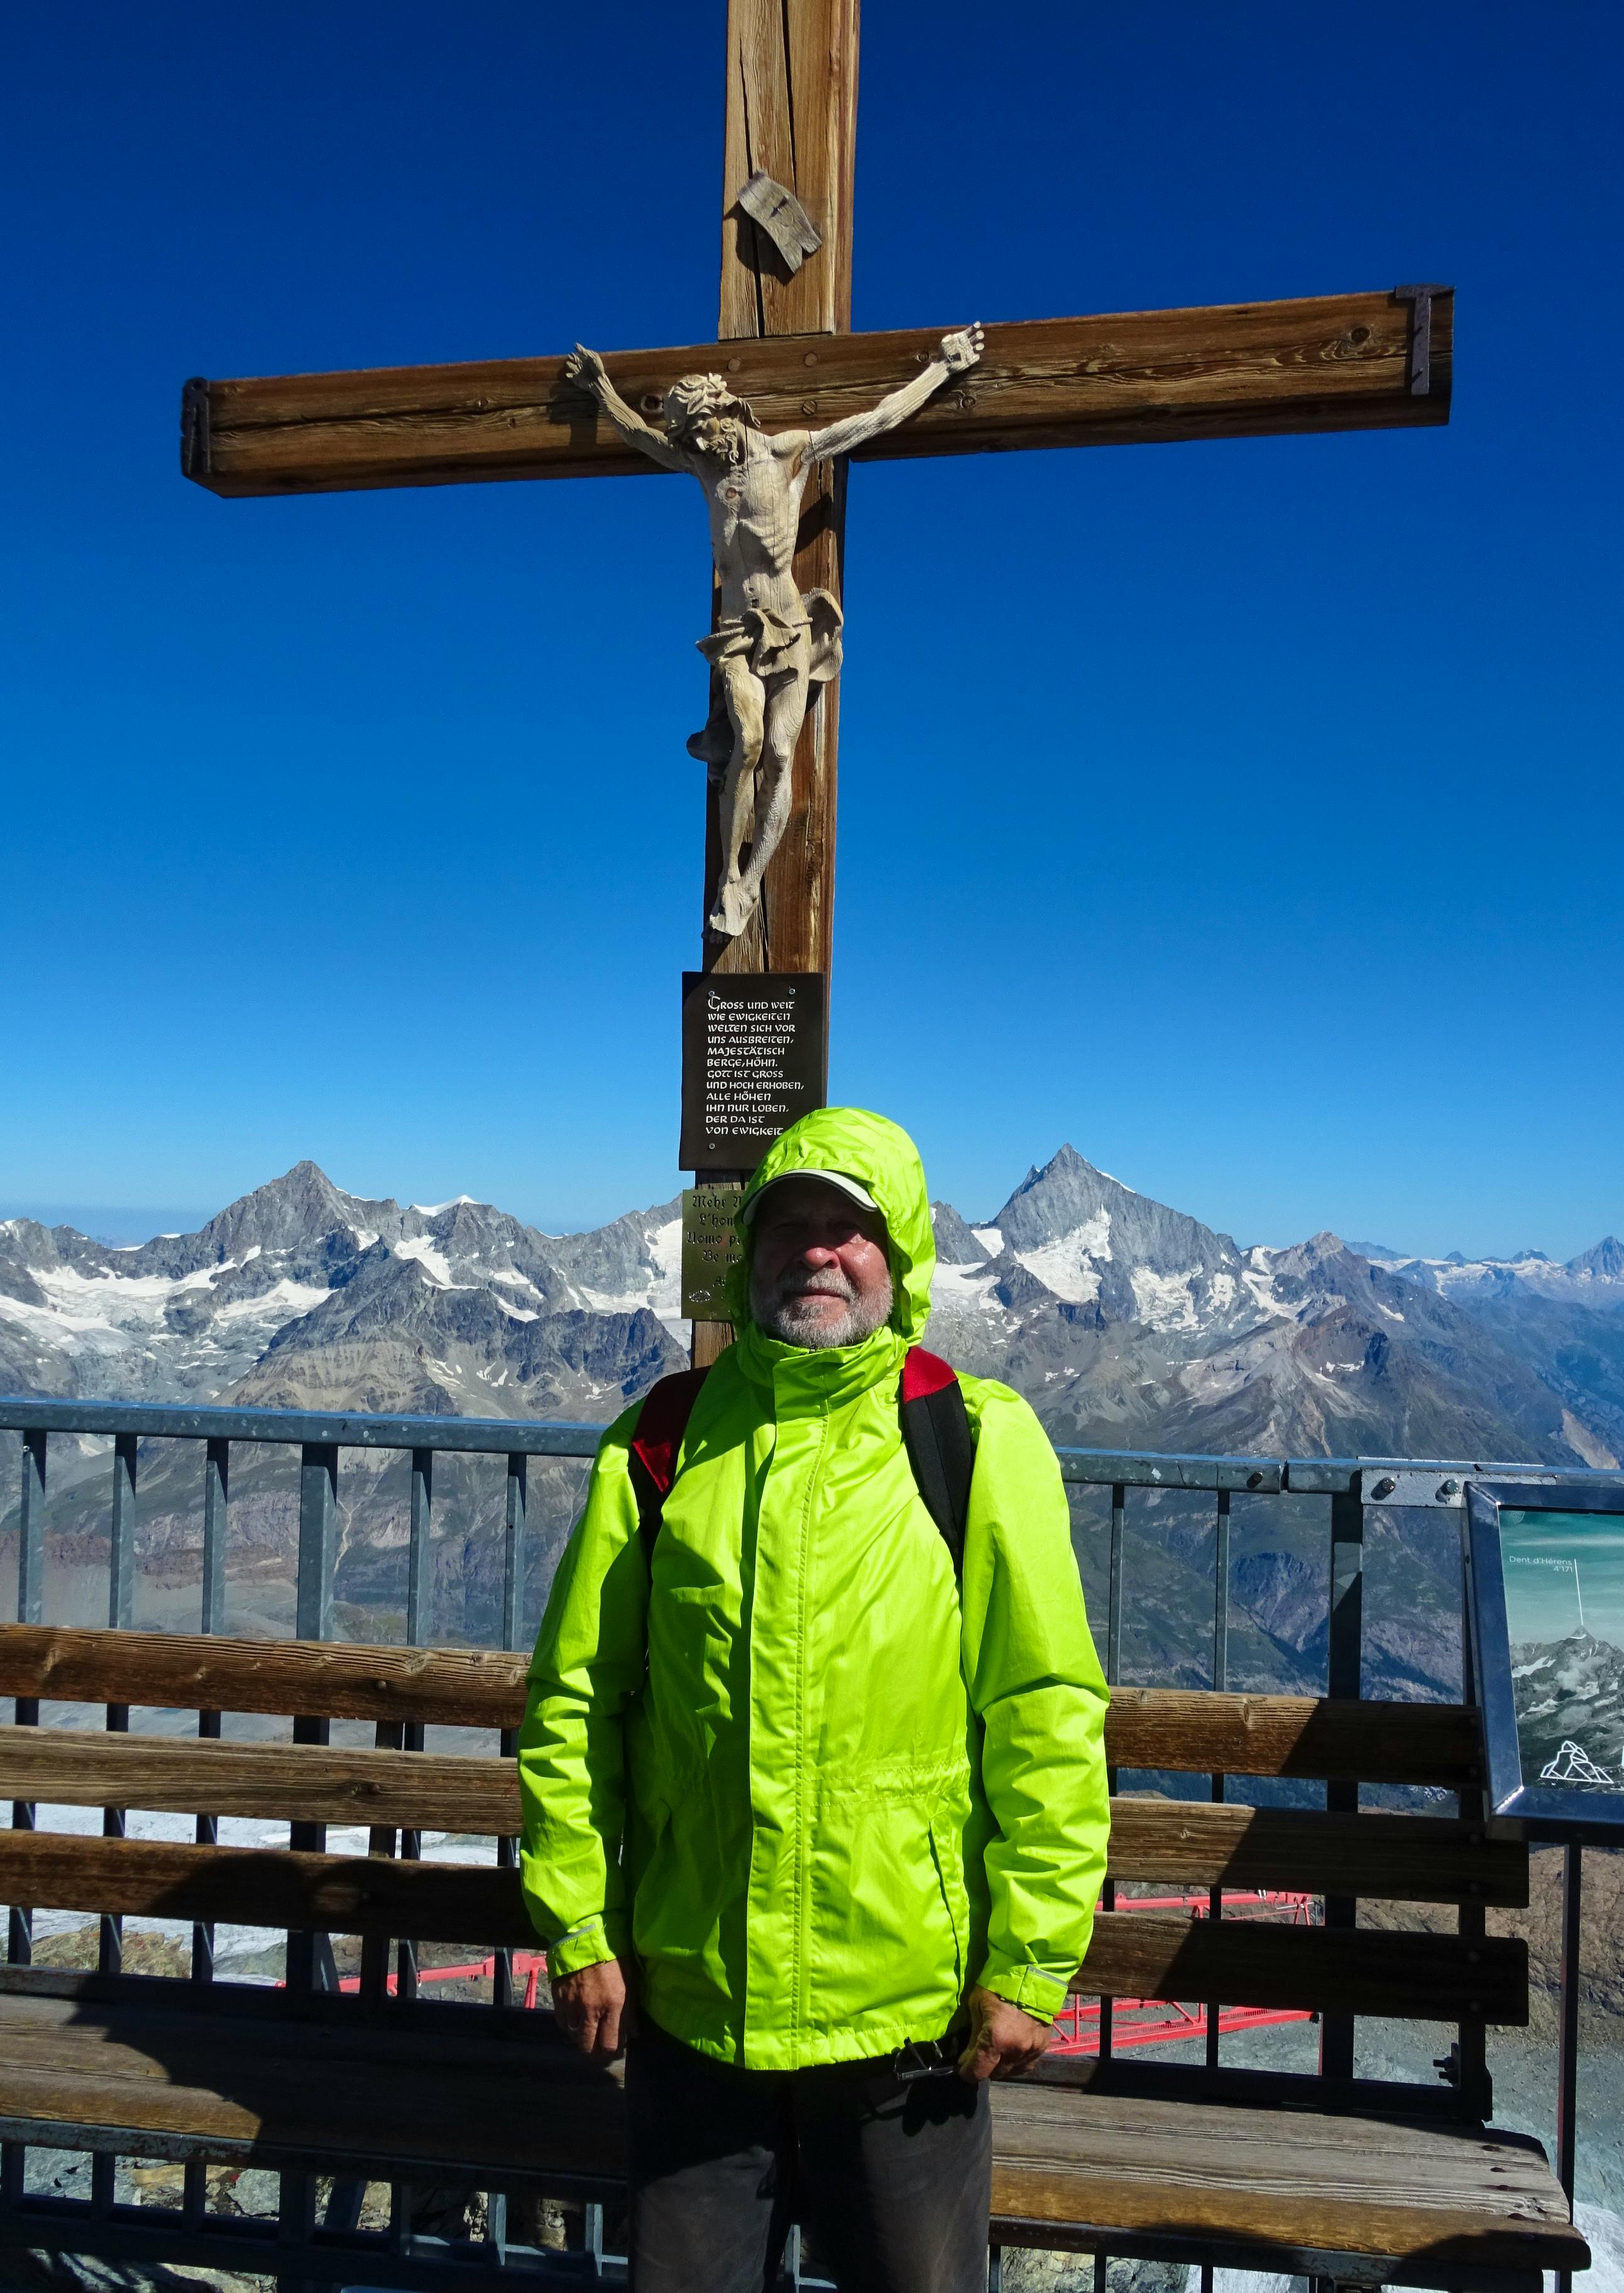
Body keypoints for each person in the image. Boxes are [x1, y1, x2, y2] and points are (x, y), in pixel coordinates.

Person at [518, 1106, 1109, 2293]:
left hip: (905, 2017)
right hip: (695, 2005)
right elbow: (575, 1700)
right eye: (793, 1222)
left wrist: (1033, 1960)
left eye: (853, 1228)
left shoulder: (973, 1438)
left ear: (901, 1256)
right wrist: (580, 1926)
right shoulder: (661, 1440)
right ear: (749, 1252)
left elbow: (1044, 1709)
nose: (820, 1250)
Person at [564, 331, 983, 940]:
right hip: (735, 635)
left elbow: (873, 421)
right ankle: (729, 878)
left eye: (704, 430)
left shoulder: (786, 452)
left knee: (782, 754)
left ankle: (751, 878)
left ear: (728, 411)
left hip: (788, 629)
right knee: (750, 743)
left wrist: (941, 371)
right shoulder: (703, 467)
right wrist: (600, 387)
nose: (700, 444)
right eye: (691, 438)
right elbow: (640, 435)